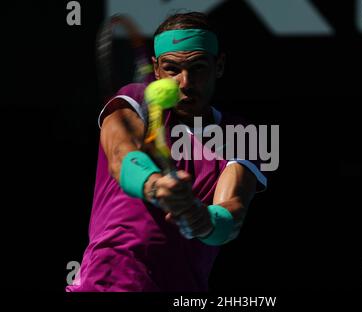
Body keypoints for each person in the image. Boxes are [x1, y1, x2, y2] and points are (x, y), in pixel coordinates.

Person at [67, 11, 266, 292]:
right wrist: (154, 184)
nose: (185, 82)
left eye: (198, 67)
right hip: (106, 283)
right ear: (156, 70)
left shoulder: (240, 134)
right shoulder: (134, 100)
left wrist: (205, 221)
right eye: (172, 69)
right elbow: (120, 155)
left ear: (219, 65)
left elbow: (232, 211)